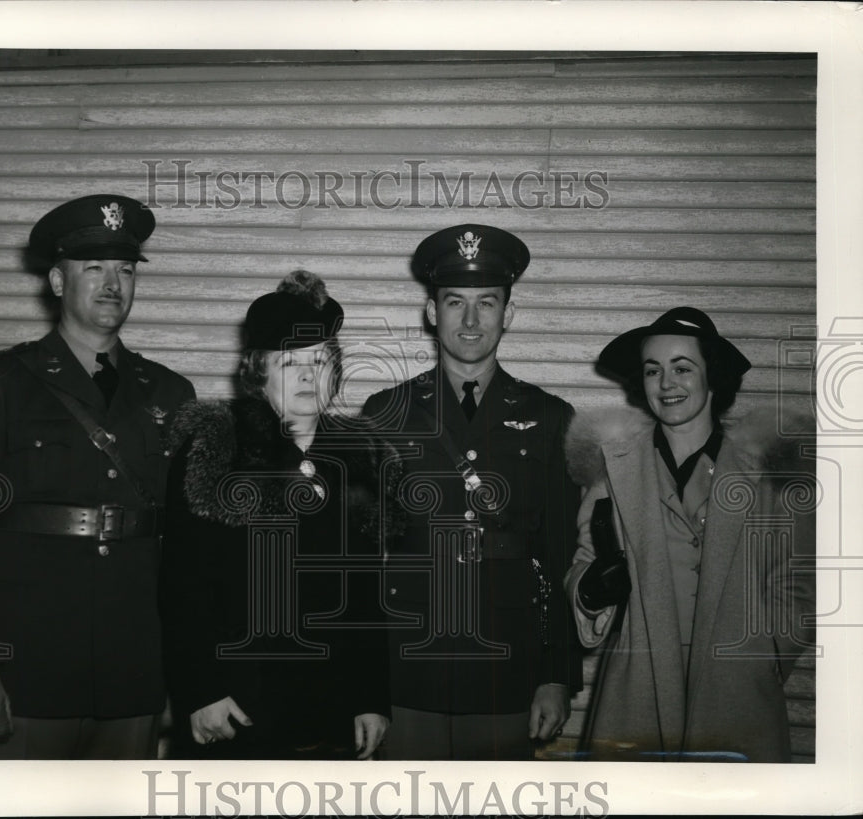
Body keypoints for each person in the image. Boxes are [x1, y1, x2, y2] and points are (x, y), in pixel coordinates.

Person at [0, 194, 196, 759]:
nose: (112, 284)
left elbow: (187, 545)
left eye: (124, 269)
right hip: (28, 669)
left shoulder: (171, 393)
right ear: (55, 280)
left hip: (134, 671)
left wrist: (186, 673)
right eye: (93, 268)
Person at [361, 224, 582, 760]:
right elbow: (363, 560)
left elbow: (558, 555)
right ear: (431, 312)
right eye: (454, 301)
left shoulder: (550, 418)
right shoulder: (383, 413)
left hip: (507, 659)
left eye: (487, 303)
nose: (470, 319)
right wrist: (363, 684)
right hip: (409, 658)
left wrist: (555, 675)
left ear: (509, 313)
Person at [160, 270, 400, 760]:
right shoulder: (217, 448)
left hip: (331, 710)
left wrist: (372, 698)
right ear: (258, 371)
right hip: (237, 708)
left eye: (320, 360)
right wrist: (201, 691)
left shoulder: (360, 457)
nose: (309, 376)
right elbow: (182, 586)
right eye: (290, 363)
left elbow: (368, 596)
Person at [563, 307, 815, 762]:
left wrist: (766, 656)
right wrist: (590, 589)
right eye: (653, 370)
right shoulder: (612, 469)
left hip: (738, 703)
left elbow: (794, 583)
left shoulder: (766, 474)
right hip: (635, 697)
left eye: (682, 368)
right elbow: (582, 562)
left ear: (711, 376)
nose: (666, 384)